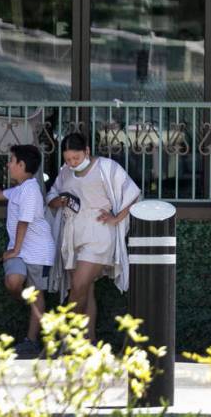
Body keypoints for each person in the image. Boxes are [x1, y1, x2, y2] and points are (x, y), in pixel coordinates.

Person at [46, 133, 140, 341]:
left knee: (79, 286)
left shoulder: (107, 168)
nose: (71, 163)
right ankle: (88, 342)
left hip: (99, 233)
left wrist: (116, 218)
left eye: (76, 159)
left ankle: (67, 338)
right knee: (85, 290)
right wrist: (59, 201)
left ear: (87, 151)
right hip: (71, 234)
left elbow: (133, 194)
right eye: (68, 159)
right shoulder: (65, 172)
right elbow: (51, 196)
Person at [0, 146, 54, 356]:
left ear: (22, 165)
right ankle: (37, 312)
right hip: (20, 249)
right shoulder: (21, 188)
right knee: (14, 282)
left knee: (36, 293)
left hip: (37, 252)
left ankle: (32, 341)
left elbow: (23, 222)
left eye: (11, 160)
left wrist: (14, 250)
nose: (8, 164)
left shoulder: (30, 190)